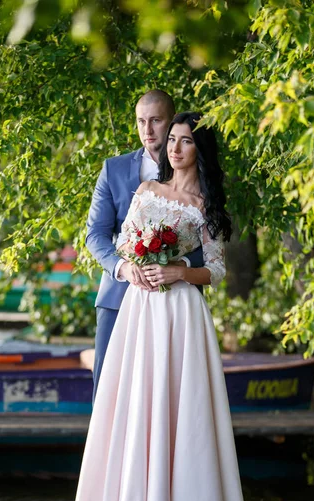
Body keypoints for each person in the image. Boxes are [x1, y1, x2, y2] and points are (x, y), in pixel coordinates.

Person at [69, 112, 251, 501]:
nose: (174, 147)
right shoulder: (147, 190)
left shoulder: (206, 205)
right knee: (132, 407)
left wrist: (179, 269)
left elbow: (218, 268)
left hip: (181, 313)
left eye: (185, 141)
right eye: (172, 139)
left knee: (181, 411)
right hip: (140, 308)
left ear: (199, 150)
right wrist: (132, 267)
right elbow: (125, 240)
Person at [86, 90, 203, 401]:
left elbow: (210, 246)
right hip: (118, 297)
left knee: (170, 397)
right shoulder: (113, 169)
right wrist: (122, 266)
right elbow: (95, 234)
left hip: (175, 302)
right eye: (141, 122)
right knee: (109, 395)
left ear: (172, 121)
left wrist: (180, 268)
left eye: (155, 121)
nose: (147, 131)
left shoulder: (198, 177)